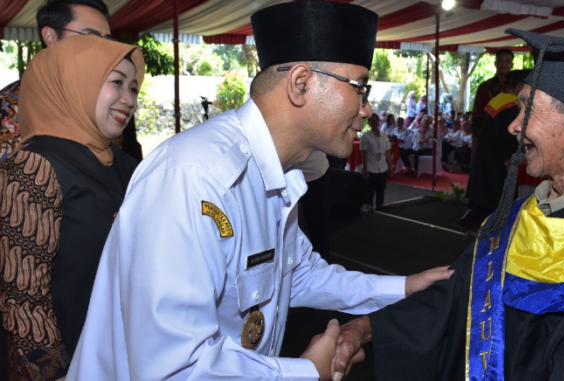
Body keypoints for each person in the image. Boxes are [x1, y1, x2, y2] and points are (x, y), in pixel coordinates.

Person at [65, 3, 452, 381]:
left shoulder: (273, 173)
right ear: (301, 83)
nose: (367, 109)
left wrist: (404, 287)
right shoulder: (195, 177)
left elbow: (300, 275)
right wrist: (305, 372)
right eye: (359, 89)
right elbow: (170, 367)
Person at [331, 29, 564, 381]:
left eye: (528, 110)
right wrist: (368, 327)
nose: (513, 125)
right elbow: (460, 295)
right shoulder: (523, 211)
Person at [0, 35, 143, 381]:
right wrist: (54, 373)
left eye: (135, 88)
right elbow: (22, 296)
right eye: (116, 83)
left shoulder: (126, 166)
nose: (129, 99)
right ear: (76, 82)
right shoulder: (34, 167)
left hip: (124, 356)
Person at [0, 0, 113, 163]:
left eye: (107, 40)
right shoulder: (8, 107)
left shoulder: (108, 101)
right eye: (91, 37)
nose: (102, 48)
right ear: (51, 37)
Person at [460, 69, 530, 230]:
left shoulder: (499, 100)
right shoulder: (512, 105)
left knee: (488, 197)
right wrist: (511, 158)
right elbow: (508, 136)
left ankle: (473, 224)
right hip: (499, 159)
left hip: (487, 155)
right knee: (497, 199)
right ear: (519, 85)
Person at [470, 48, 514, 156]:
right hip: (489, 135)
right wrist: (475, 140)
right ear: (495, 63)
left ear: (512, 65)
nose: (504, 64)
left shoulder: (518, 88)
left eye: (507, 61)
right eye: (501, 61)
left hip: (512, 136)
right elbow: (477, 116)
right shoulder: (484, 87)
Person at [297, 150, 332, 257]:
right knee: (284, 230)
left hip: (316, 174)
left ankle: (322, 265)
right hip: (285, 171)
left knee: (319, 230)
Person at [361, 114, 394, 210]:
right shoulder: (365, 137)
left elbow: (387, 152)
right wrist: (365, 169)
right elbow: (363, 154)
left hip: (383, 168)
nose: (375, 123)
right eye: (372, 121)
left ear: (379, 122)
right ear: (369, 123)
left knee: (381, 192)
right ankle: (369, 209)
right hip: (371, 169)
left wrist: (391, 166)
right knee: (370, 193)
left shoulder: (384, 136)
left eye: (376, 120)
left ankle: (380, 210)